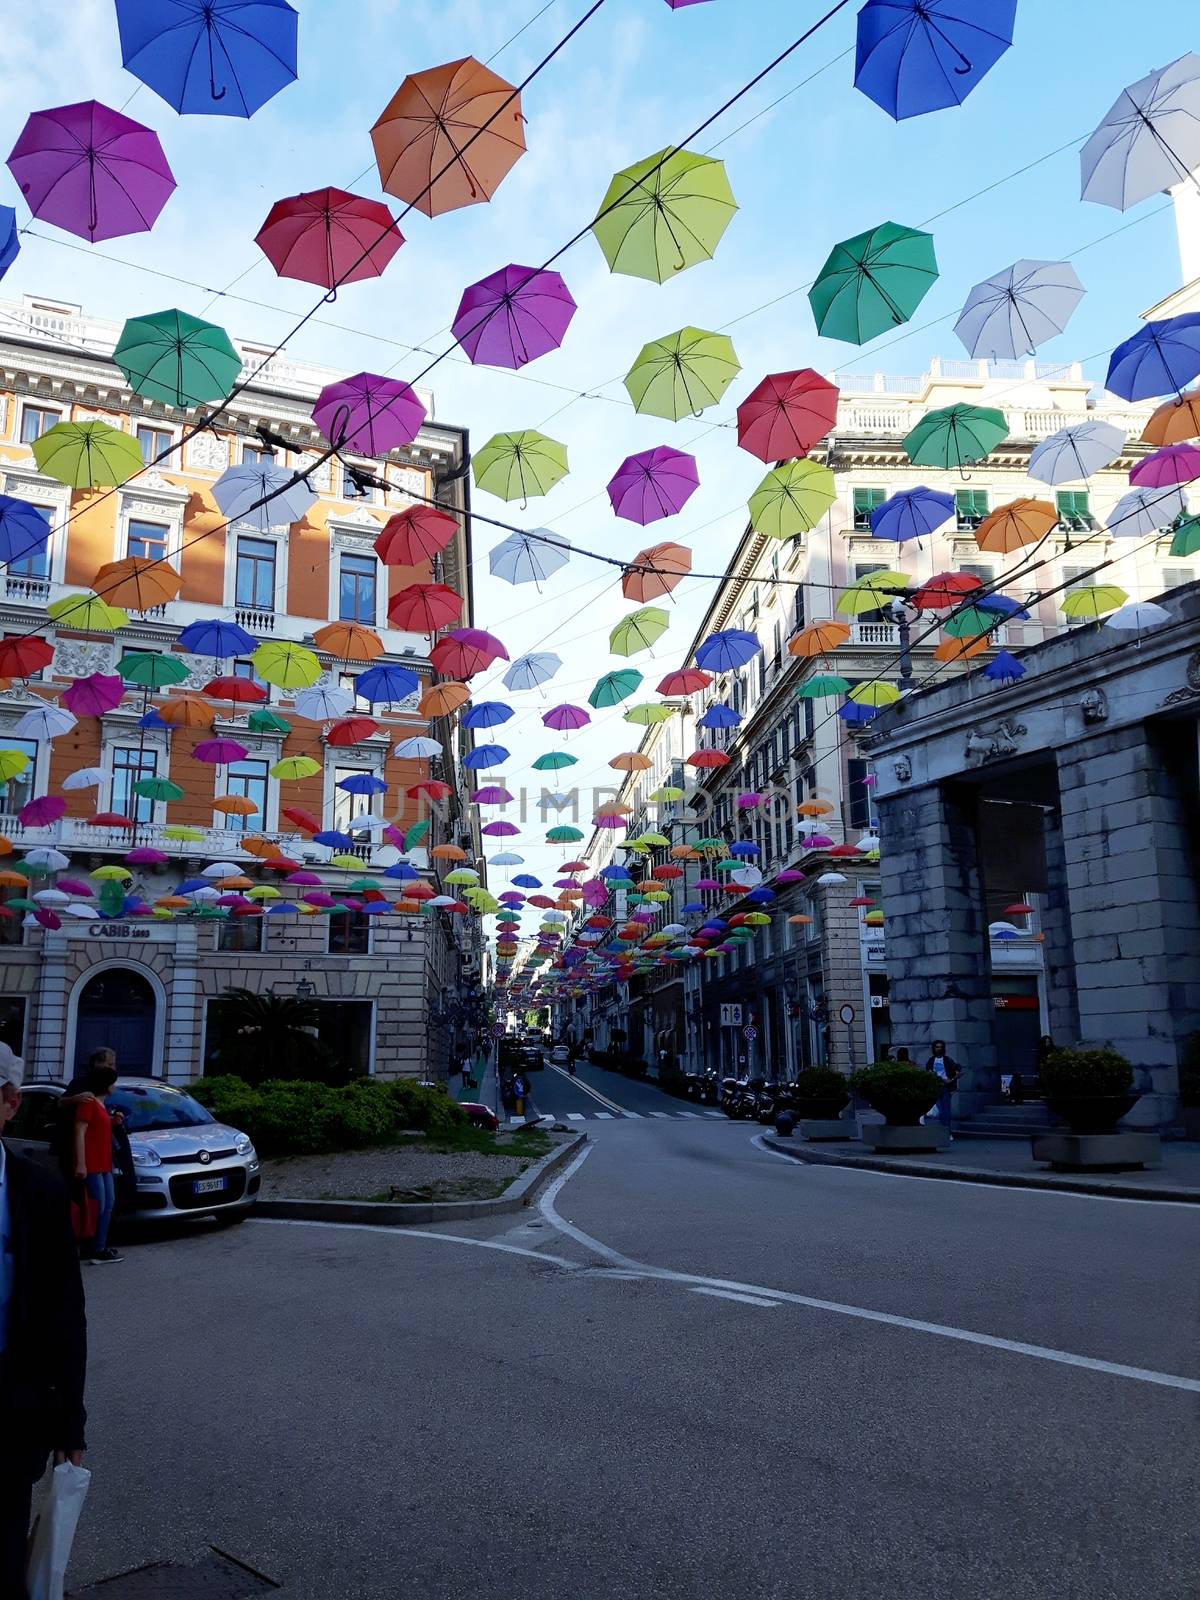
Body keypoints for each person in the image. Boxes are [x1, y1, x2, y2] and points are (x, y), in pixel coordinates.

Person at [0, 1042, 88, 1595]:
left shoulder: (39, 1190)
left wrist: (69, 1419)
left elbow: (66, 1310)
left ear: (9, 1103)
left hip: (11, 1411)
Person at [73, 1062, 122, 1264]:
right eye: (113, 1083)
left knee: (107, 1204)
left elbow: (98, 1128)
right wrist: (81, 1163)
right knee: (97, 1206)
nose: (115, 1087)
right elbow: (80, 1132)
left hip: (104, 1163)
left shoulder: (101, 1105)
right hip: (92, 1164)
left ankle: (99, 1246)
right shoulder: (88, 1103)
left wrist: (112, 1122)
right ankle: (91, 1247)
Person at [925, 1039, 961, 1140]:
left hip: (945, 1087)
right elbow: (927, 1070)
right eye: (937, 1047)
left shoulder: (947, 1060)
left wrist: (956, 1073)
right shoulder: (931, 1060)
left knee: (946, 1110)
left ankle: (947, 1131)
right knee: (939, 1111)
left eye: (940, 1047)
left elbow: (956, 1067)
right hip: (935, 1086)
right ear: (934, 1048)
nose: (938, 1049)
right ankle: (943, 1131)